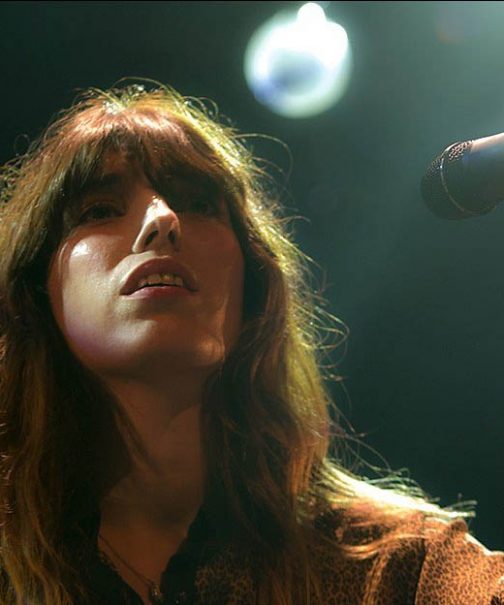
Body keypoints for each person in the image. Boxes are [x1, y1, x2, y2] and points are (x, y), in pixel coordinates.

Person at [0, 83, 502, 605]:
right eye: (100, 209)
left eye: (199, 204)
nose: (163, 220)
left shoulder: (397, 566)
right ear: (35, 287)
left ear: (254, 285)